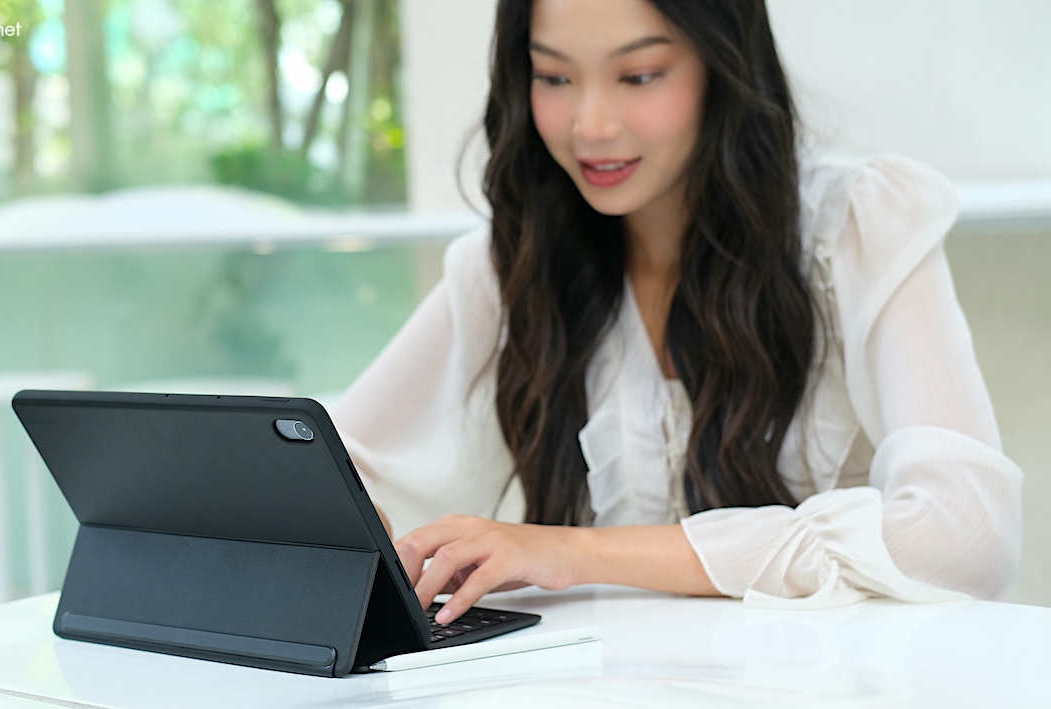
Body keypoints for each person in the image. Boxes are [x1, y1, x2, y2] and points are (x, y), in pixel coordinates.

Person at [330, 0, 1022, 625]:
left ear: (723, 65)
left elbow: (966, 539)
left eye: (639, 76)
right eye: (554, 77)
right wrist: (353, 529)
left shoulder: (855, 228)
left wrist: (576, 552)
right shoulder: (513, 263)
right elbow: (330, 464)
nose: (591, 125)